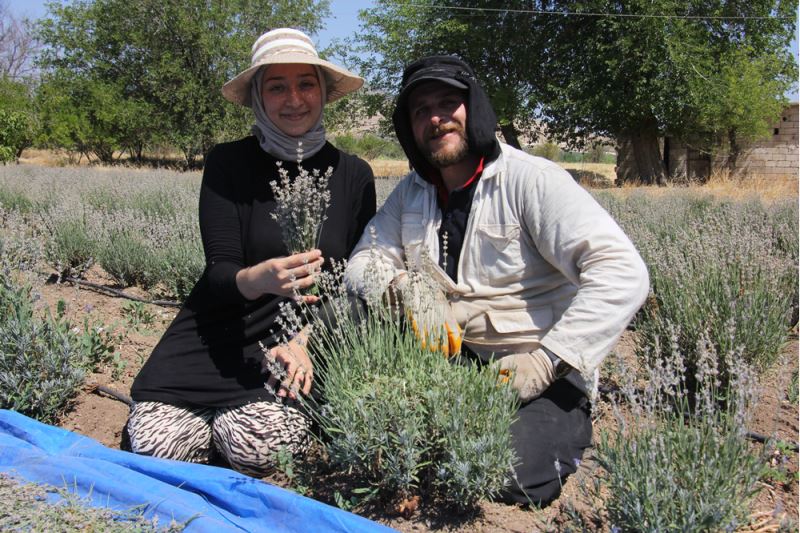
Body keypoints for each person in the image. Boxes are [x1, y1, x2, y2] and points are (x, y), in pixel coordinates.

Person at [343, 55, 649, 505]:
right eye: (420, 109)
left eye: (449, 102)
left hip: (540, 372)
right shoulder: (412, 191)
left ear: (475, 108)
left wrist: (546, 362)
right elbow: (361, 262)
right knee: (347, 339)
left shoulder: (532, 181)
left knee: (507, 473)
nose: (436, 117)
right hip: (449, 362)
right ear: (409, 128)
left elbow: (622, 271)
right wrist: (403, 290)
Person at [127, 28, 376, 476]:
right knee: (154, 446)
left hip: (290, 346)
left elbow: (354, 283)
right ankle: (206, 423)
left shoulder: (354, 174)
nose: (294, 98)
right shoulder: (228, 162)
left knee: (255, 449)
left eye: (305, 83)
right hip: (216, 337)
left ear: (323, 91)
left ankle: (229, 426)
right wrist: (258, 278)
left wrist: (309, 343)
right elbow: (219, 271)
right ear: (259, 97)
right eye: (276, 86)